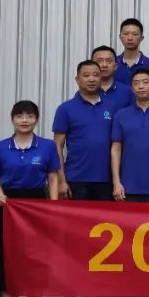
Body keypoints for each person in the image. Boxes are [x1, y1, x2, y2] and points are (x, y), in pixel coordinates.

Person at [0, 100, 60, 297]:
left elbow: (53, 178)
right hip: (9, 209)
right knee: (8, 267)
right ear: (12, 119)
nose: (24, 120)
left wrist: (53, 208)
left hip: (36, 210)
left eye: (29, 116)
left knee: (33, 267)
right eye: (19, 116)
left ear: (36, 119)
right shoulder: (1, 148)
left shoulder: (47, 146)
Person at [53, 61, 115, 200]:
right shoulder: (65, 109)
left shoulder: (112, 107)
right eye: (86, 75)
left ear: (101, 78)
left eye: (96, 75)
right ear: (77, 79)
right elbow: (57, 146)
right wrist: (61, 181)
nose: (91, 79)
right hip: (76, 179)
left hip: (106, 179)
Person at [111, 70, 149, 203]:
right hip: (127, 187)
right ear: (132, 88)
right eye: (136, 83)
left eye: (145, 82)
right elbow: (116, 149)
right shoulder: (121, 115)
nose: (141, 86)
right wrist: (116, 181)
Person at [91, 46, 133, 111]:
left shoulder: (128, 92)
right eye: (99, 61)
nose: (104, 65)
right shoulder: (85, 92)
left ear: (115, 66)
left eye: (109, 61)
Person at [114, 18, 148, 84]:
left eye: (135, 34)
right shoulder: (113, 64)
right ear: (120, 37)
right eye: (126, 34)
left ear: (142, 38)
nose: (130, 38)